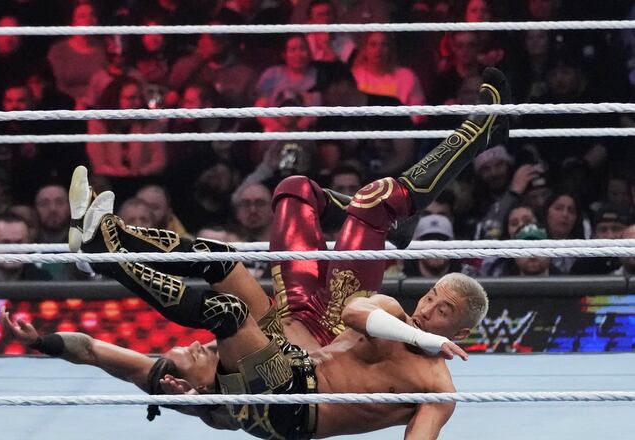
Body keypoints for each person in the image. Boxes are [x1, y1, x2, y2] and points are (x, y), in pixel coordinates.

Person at [51, 68, 508, 438]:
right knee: (294, 188)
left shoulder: (238, 390)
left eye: (440, 310)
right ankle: (105, 239)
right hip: (315, 316)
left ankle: (103, 247)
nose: (426, 306)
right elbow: (358, 315)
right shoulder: (394, 322)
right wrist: (428, 338)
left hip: (301, 335)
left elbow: (98, 352)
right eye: (432, 298)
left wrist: (42, 342)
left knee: (225, 268)